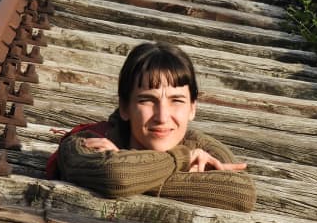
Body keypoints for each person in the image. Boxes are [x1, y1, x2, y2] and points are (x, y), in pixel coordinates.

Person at [47, 41, 256, 212]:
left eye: (177, 101)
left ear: (193, 108)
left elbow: (242, 192)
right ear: (124, 107)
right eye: (147, 100)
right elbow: (116, 175)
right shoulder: (87, 141)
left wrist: (137, 174)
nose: (162, 117)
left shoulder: (200, 145)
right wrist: (181, 160)